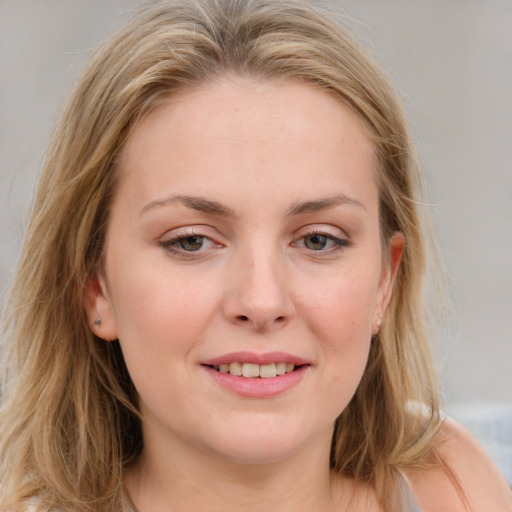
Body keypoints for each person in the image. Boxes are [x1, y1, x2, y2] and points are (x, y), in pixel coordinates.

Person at [0, 1, 510, 511]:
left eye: (318, 240)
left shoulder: (449, 485)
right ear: (95, 286)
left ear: (385, 281)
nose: (262, 301)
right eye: (191, 241)